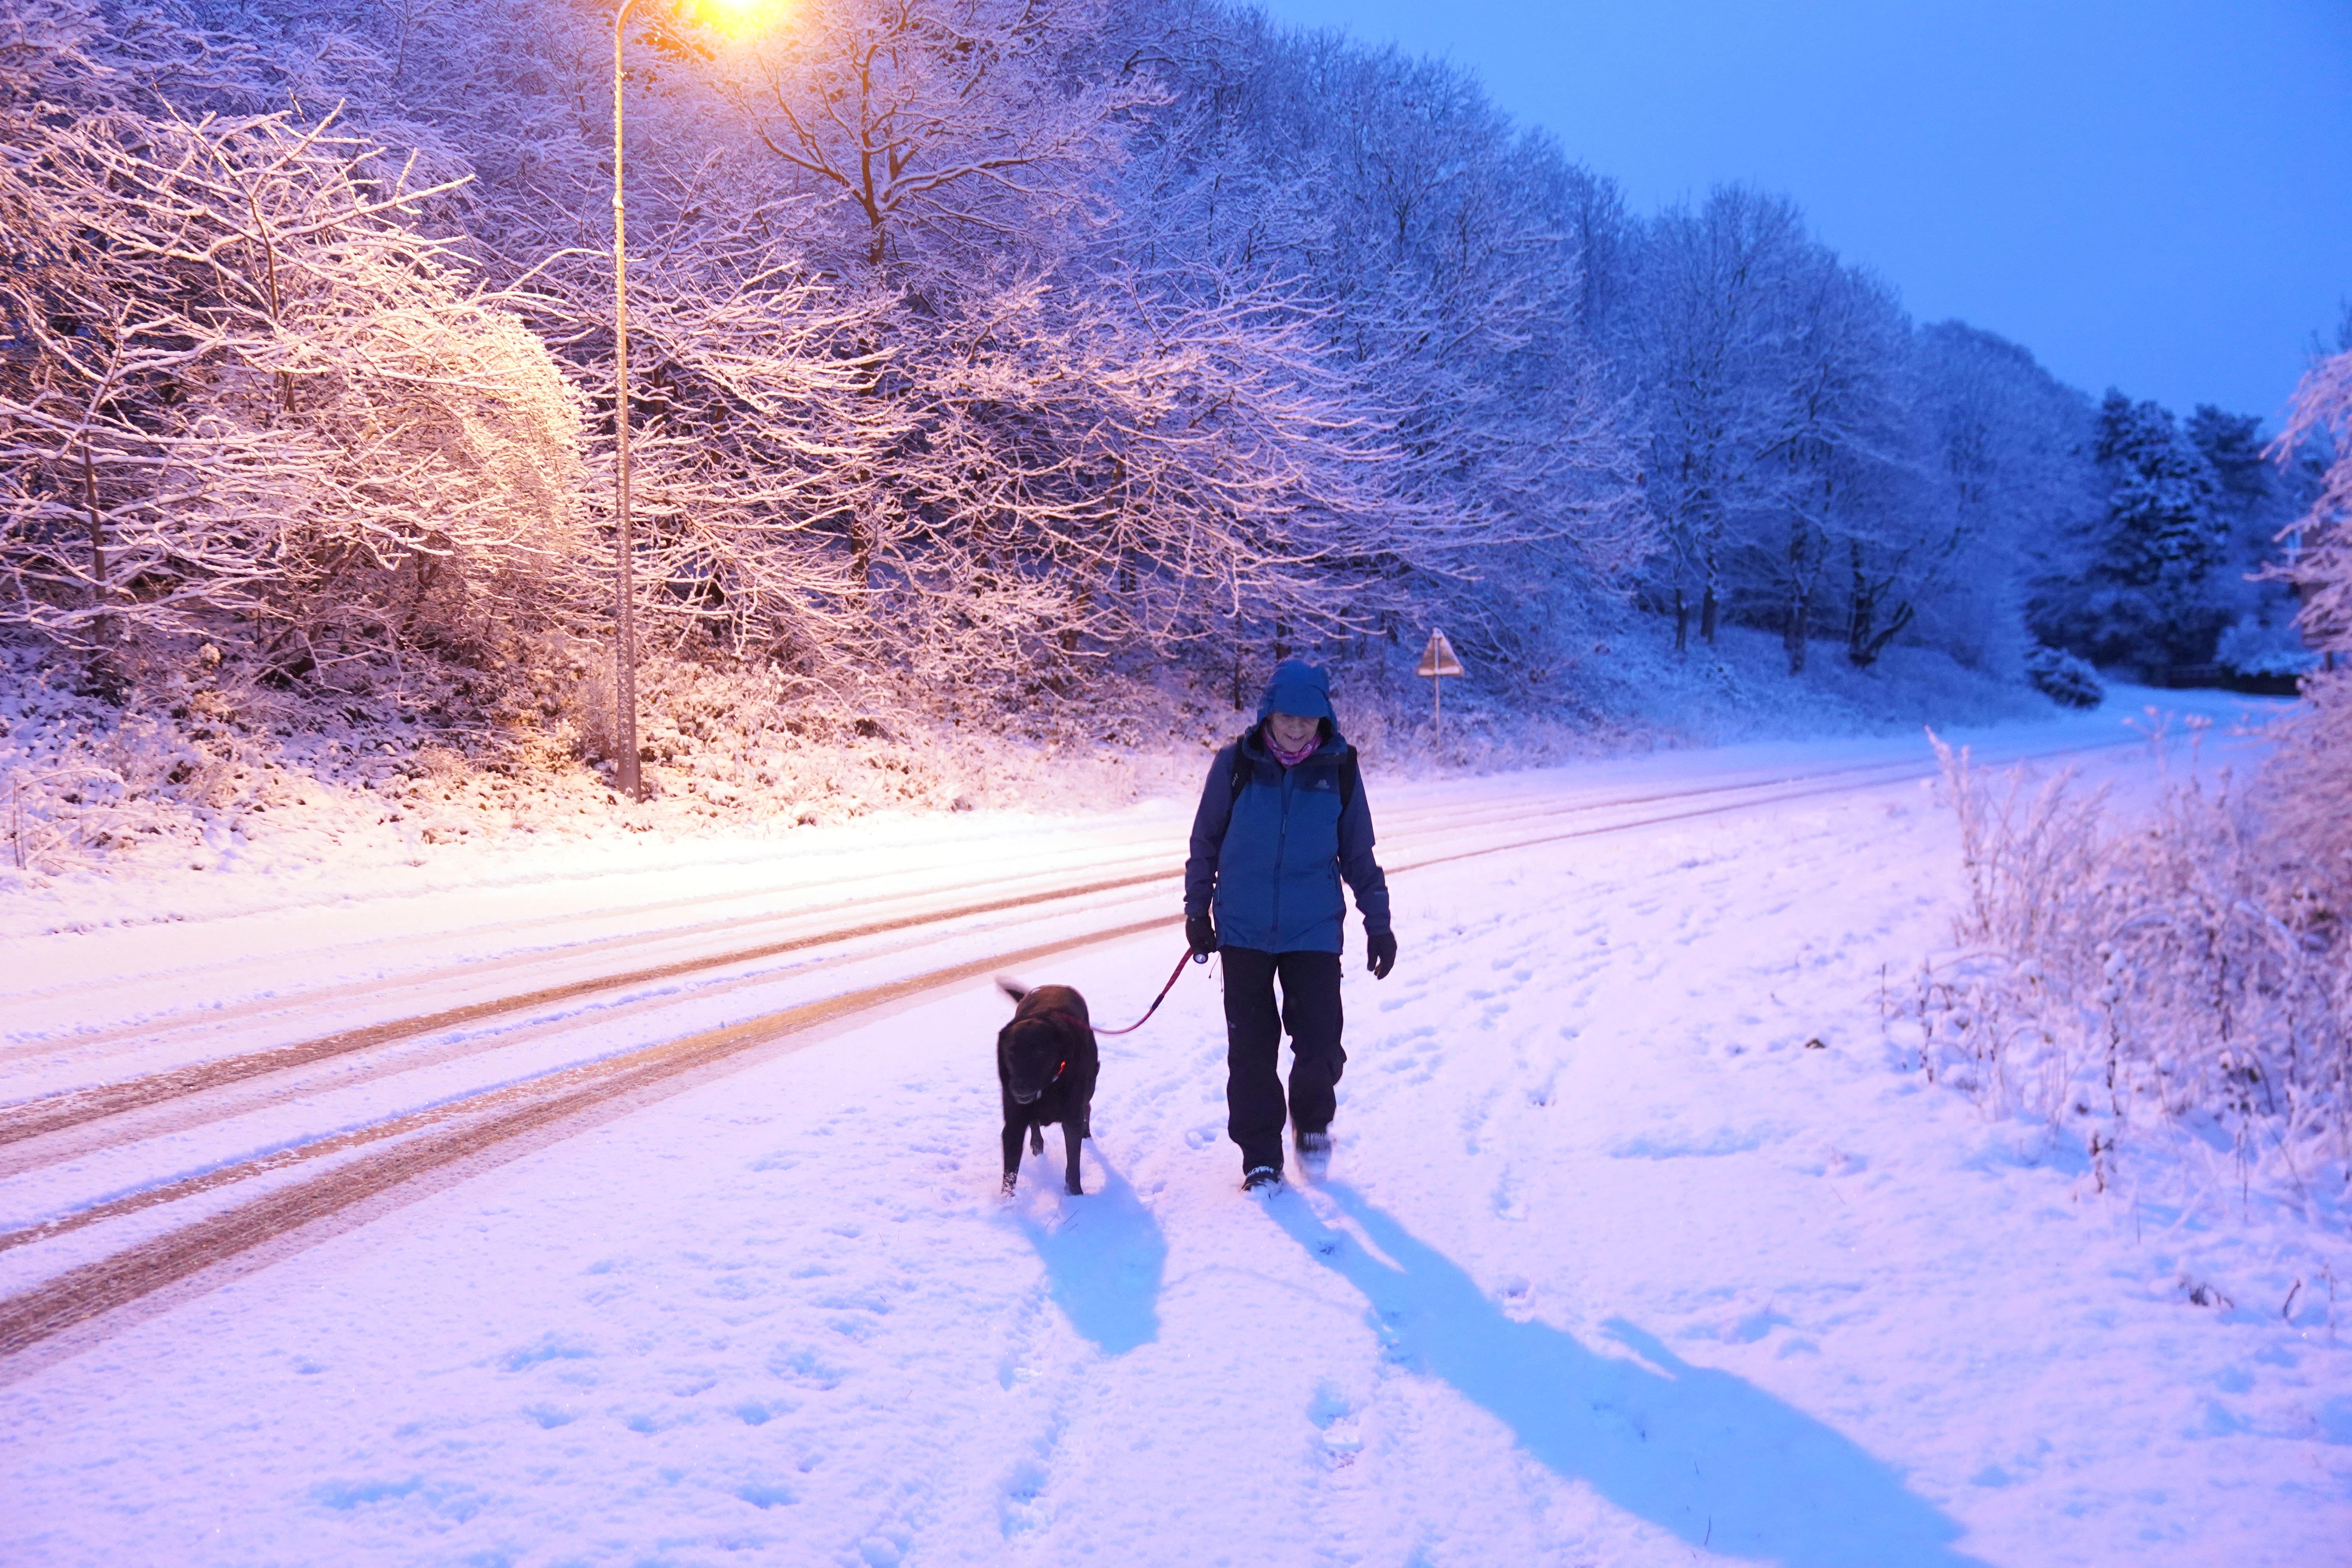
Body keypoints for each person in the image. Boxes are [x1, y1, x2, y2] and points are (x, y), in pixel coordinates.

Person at [1184, 659, 1396, 1192]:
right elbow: (1204, 844)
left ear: (1325, 717)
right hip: (1244, 933)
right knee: (1252, 1049)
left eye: (1309, 718)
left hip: (1314, 932)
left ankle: (1313, 1124)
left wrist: (1379, 924)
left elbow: (1359, 854)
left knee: (1321, 1041)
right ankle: (1259, 1156)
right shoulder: (1236, 765)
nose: (1298, 727)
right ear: (1267, 714)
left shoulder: (1338, 769)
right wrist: (1196, 912)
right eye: (1287, 716)